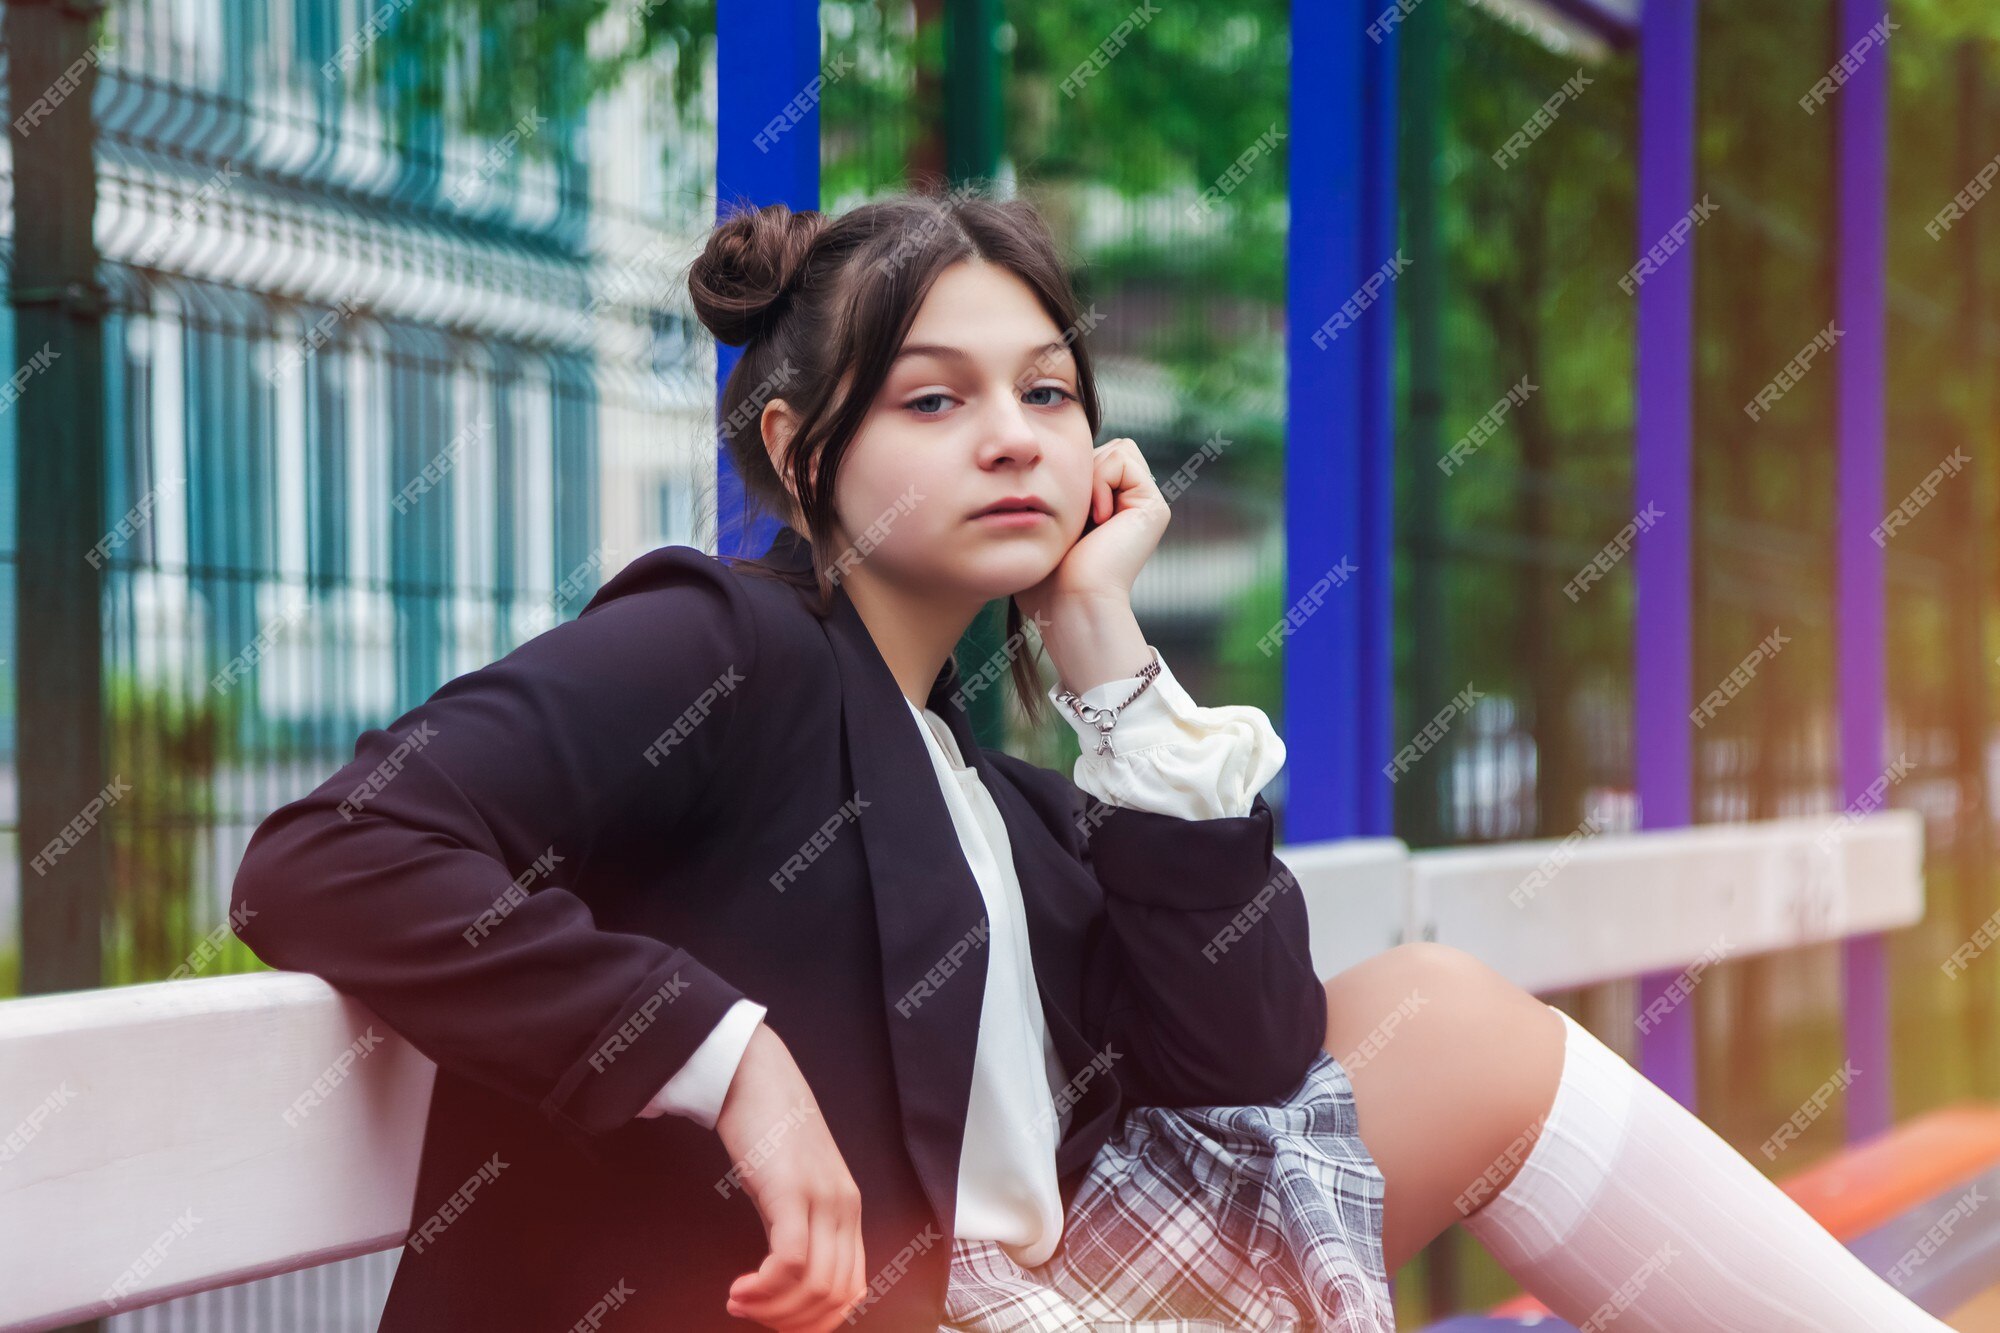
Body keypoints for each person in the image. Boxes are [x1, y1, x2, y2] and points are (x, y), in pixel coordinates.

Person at [232, 189, 1954, 1333]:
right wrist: (729, 1060)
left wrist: (1103, 653)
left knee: (1451, 1017)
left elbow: (1248, 1056)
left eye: (1048, 394)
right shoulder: (721, 646)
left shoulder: (987, 781)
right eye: (934, 399)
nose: (1010, 436)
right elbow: (332, 850)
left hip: (1035, 1288)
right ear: (795, 444)